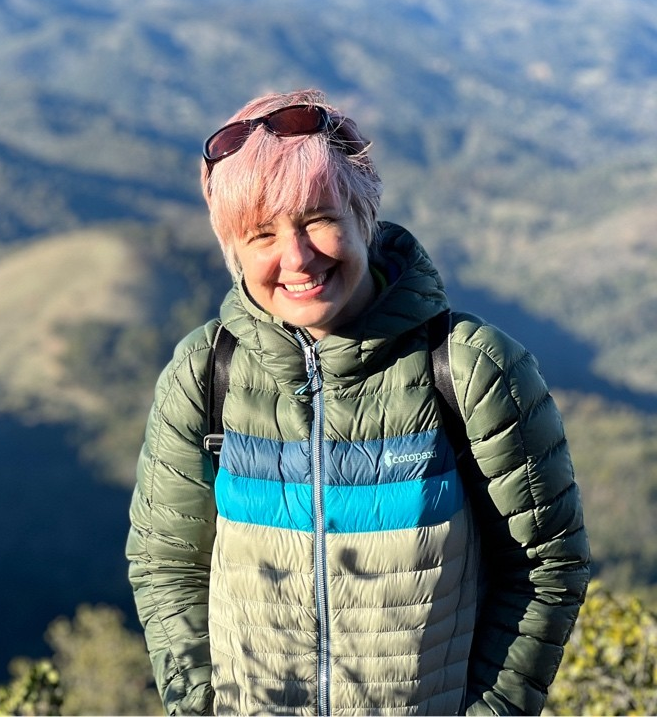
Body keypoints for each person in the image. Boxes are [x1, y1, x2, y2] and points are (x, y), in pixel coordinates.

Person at [126, 88, 591, 716]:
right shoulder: (207, 373)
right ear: (233, 250)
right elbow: (167, 568)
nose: (297, 258)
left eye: (318, 219)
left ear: (363, 216)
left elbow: (544, 567)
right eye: (261, 234)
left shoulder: (470, 369)